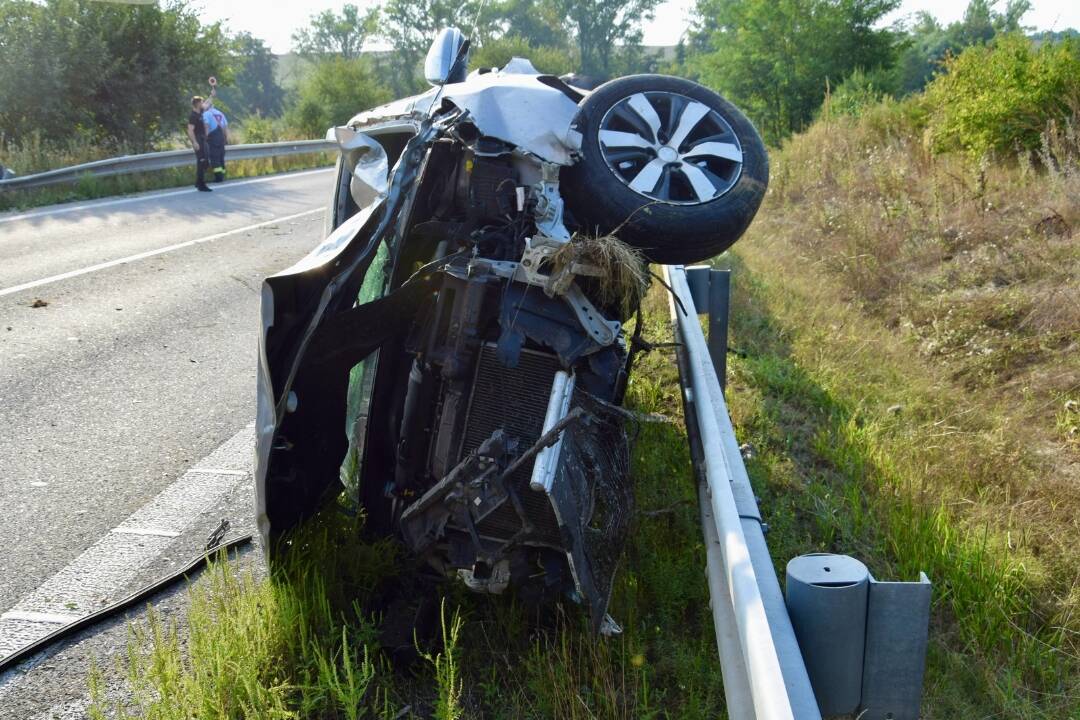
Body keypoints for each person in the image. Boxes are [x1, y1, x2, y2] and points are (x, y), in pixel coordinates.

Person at [186, 96, 212, 192]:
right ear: (197, 104)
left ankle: (198, 182)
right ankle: (201, 185)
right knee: (202, 162)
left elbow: (207, 104)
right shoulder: (193, 116)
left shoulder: (200, 112)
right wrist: (194, 142)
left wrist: (212, 95)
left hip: (203, 139)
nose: (203, 103)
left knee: (205, 161)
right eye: (201, 102)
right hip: (198, 140)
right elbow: (190, 130)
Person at [203, 98, 230, 183]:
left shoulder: (206, 114)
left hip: (213, 137)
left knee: (214, 158)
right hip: (221, 137)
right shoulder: (220, 113)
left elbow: (206, 125)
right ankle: (222, 175)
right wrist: (226, 138)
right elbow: (225, 127)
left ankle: (219, 178)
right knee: (221, 157)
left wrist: (205, 137)